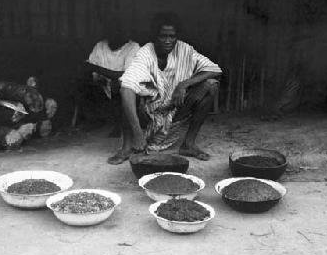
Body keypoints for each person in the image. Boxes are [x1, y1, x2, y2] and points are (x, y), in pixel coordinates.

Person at [108, 12, 222, 165]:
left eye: (172, 36)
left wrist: (184, 84)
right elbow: (127, 87)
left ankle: (188, 144)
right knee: (121, 86)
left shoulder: (184, 49)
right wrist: (137, 133)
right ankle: (127, 147)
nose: (168, 41)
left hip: (175, 109)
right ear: (154, 36)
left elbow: (215, 69)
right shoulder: (145, 53)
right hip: (148, 114)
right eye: (163, 36)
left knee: (211, 85)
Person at [73, 24, 140, 134]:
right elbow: (88, 67)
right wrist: (93, 72)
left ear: (125, 35)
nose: (113, 36)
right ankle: (94, 120)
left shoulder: (133, 47)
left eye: (117, 33)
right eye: (110, 33)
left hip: (124, 89)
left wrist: (96, 69)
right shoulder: (100, 46)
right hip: (103, 87)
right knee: (82, 83)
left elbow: (126, 75)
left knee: (121, 85)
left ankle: (121, 124)